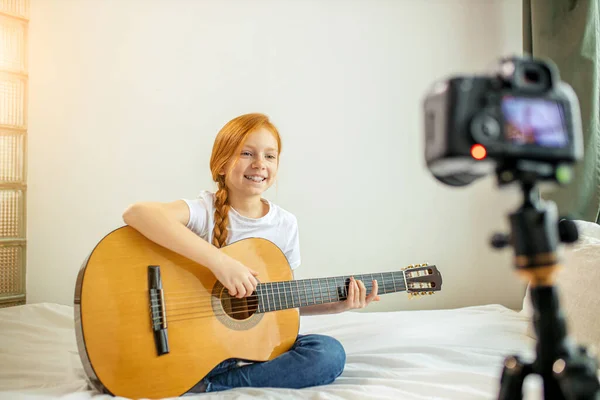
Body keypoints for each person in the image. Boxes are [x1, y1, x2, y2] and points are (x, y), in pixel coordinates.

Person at [122, 112, 380, 393]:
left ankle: (209, 384)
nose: (259, 164)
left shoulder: (284, 224)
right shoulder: (204, 210)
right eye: (247, 153)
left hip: (245, 344)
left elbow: (281, 299)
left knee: (328, 354)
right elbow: (137, 213)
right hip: (195, 344)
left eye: (270, 156)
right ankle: (202, 372)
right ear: (221, 164)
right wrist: (220, 262)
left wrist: (337, 304)